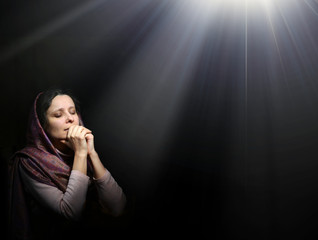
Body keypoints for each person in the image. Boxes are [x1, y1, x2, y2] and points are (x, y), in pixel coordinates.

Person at [8, 89, 126, 240]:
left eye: (73, 112)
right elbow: (71, 212)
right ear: (42, 126)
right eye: (58, 115)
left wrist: (92, 154)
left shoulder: (82, 150)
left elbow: (117, 207)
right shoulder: (29, 161)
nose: (70, 119)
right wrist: (81, 154)